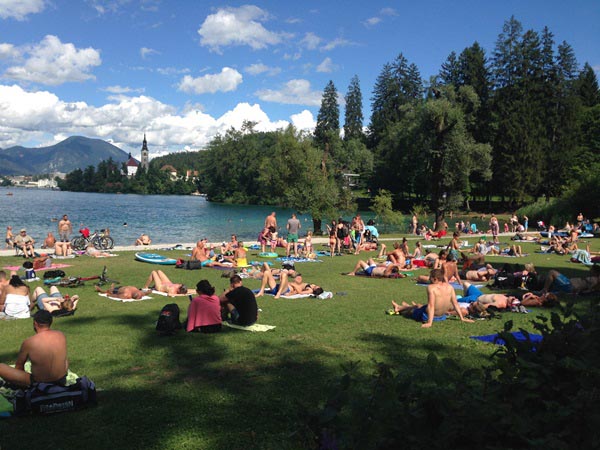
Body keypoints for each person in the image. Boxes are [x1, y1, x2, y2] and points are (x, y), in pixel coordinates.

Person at [0, 310, 69, 388]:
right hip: (61, 380)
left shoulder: (29, 342)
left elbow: (19, 366)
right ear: (51, 322)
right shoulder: (61, 335)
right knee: (65, 359)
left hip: (40, 383)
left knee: (1, 367)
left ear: (35, 323)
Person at [391, 269, 473, 328]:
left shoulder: (431, 287)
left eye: (430, 277)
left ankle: (400, 308)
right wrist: (462, 318)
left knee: (413, 311)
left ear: (435, 279)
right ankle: (400, 307)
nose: (429, 279)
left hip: (429, 316)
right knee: (419, 306)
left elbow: (431, 306)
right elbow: (455, 304)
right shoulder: (449, 287)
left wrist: (429, 322)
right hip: (442, 316)